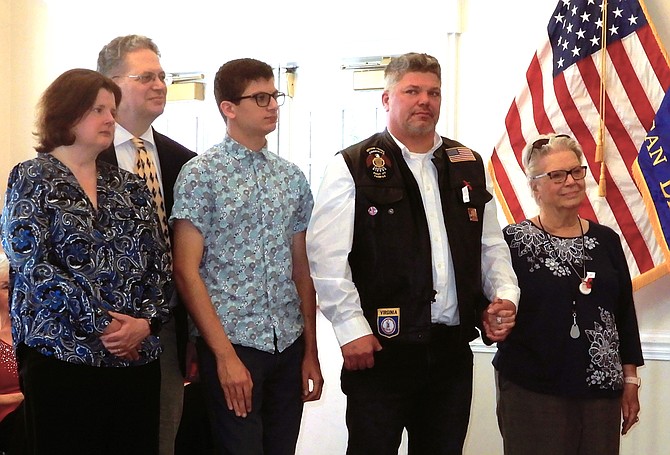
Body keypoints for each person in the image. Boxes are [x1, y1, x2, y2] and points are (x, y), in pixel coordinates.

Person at [306, 52, 520, 455]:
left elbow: (491, 245)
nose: (425, 100)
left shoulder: (468, 164)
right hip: (380, 351)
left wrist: (505, 296)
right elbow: (327, 258)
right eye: (412, 91)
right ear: (387, 99)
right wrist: (351, 329)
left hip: (451, 350)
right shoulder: (353, 165)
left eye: (433, 92)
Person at [0, 68, 171, 454]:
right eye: (98, 109)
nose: (110, 119)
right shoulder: (32, 177)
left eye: (112, 110)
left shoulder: (129, 185)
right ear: (66, 114)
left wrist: (144, 324)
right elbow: (32, 264)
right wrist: (106, 326)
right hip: (61, 358)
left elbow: (158, 262)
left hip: (135, 359)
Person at [171, 57, 324, 455]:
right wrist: (222, 356)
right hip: (234, 343)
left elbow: (301, 269)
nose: (272, 104)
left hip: (288, 345)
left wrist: (311, 351)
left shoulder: (291, 176)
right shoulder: (200, 173)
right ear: (229, 108)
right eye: (260, 97)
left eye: (274, 96)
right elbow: (186, 271)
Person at [494, 133, 644, 454]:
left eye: (577, 171)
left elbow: (624, 316)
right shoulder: (512, 242)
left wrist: (630, 380)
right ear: (534, 187)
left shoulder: (607, 241)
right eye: (557, 175)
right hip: (533, 390)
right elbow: (493, 310)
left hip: (601, 392)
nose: (572, 181)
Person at [96, 34, 197, 455]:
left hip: (167, 328)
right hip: (102, 331)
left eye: (162, 76)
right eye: (146, 77)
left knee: (161, 438)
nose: (159, 85)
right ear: (111, 85)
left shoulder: (183, 161)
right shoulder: (82, 156)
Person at [0, 250, 26, 455]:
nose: (14, 292)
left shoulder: (29, 329)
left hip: (33, 414)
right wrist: (21, 398)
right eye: (7, 287)